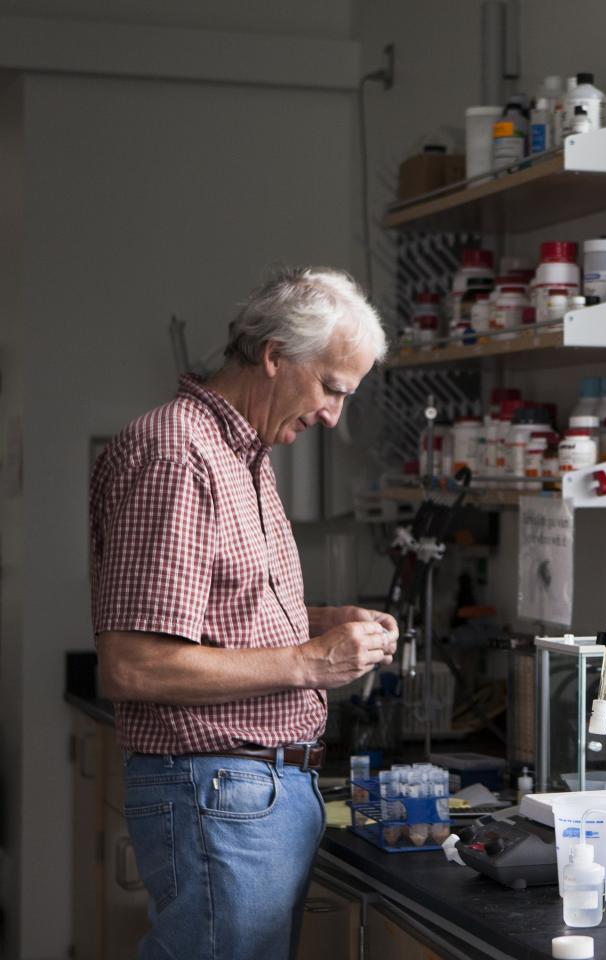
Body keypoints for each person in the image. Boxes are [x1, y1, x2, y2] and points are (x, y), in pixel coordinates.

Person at [89, 266, 396, 960]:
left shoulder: (243, 456)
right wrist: (314, 661)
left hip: (249, 794)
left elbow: (212, 614)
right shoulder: (177, 454)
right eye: (330, 388)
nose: (331, 417)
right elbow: (133, 665)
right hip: (219, 792)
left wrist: (318, 621)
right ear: (274, 356)